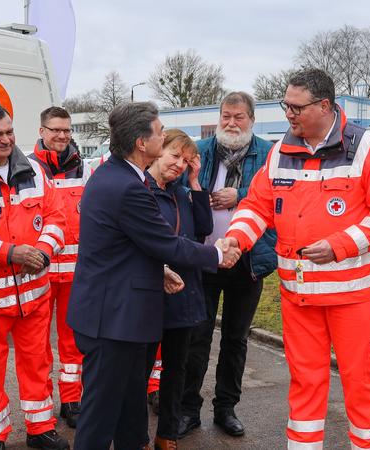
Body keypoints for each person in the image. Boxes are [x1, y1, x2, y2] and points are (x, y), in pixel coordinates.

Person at [219, 68, 370, 449]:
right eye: (285, 105)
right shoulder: (280, 151)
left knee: (360, 382)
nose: (288, 114)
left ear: (325, 106)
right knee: (305, 382)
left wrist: (340, 244)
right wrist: (237, 238)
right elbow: (257, 206)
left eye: (296, 107)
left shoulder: (367, 148)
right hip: (299, 294)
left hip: (353, 297)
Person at [65, 102, 239, 450]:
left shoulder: (123, 175)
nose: (163, 136)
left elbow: (124, 245)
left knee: (131, 415)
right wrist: (218, 254)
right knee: (100, 420)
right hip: (111, 320)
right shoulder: (126, 186)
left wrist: (157, 271)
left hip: (122, 316)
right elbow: (166, 243)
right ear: (142, 143)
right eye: (160, 132)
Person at [0, 104, 70, 450]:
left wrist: (42, 251)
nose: (5, 139)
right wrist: (9, 254)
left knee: (38, 363)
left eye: (9, 132)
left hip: (34, 294)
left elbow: (58, 219)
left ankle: (40, 429)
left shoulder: (35, 172)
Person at [179, 91, 278, 438]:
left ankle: (226, 408)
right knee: (197, 337)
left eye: (239, 117)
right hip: (204, 260)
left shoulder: (268, 154)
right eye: (226, 116)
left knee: (236, 340)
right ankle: (188, 409)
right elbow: (178, 191)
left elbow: (279, 198)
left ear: (252, 119)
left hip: (248, 262)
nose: (231, 123)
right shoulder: (200, 152)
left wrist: (242, 194)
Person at [143, 130, 213, 449]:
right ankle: (135, 435)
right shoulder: (139, 189)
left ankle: (167, 434)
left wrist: (196, 183)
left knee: (176, 369)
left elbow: (204, 228)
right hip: (149, 291)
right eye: (174, 155)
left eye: (186, 160)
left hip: (184, 292)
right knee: (139, 369)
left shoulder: (182, 193)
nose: (179, 164)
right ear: (158, 150)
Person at [28, 106, 88, 429]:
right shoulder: (28, 169)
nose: (62, 136)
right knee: (37, 345)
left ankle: (72, 400)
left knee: (72, 342)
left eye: (66, 130)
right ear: (41, 131)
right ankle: (41, 408)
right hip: (41, 273)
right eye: (55, 130)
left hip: (76, 274)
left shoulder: (85, 169)